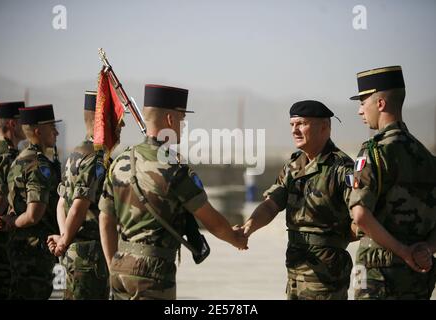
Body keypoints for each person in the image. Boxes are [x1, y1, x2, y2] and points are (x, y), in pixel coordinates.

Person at [98, 84, 247, 300]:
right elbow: (210, 219)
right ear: (170, 120)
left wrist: (114, 264)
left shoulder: (120, 161)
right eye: (181, 119)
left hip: (120, 267)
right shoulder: (174, 170)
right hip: (153, 273)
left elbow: (105, 219)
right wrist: (235, 238)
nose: (184, 126)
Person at [242, 100, 355, 300]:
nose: (295, 130)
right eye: (292, 125)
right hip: (295, 267)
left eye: (301, 124)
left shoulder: (341, 167)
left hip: (326, 273)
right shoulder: (294, 165)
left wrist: (335, 240)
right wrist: (248, 228)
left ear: (324, 127)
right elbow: (271, 204)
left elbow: (361, 215)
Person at [349, 65, 436, 299]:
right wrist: (426, 249)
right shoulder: (427, 158)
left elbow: (360, 215)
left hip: (378, 279)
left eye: (363, 101)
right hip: (418, 279)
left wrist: (403, 251)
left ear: (380, 104)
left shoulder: (374, 152)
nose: (359, 111)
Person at [47, 91, 117, 299]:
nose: (120, 127)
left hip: (74, 252)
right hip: (89, 256)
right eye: (117, 120)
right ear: (104, 121)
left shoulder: (76, 153)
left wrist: (64, 238)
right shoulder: (96, 157)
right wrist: (64, 240)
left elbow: (62, 202)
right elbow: (79, 204)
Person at [0, 104, 61, 299]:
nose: (56, 132)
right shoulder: (38, 166)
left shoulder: (18, 161)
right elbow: (33, 215)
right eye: (52, 128)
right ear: (38, 131)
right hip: (35, 253)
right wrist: (12, 223)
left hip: (20, 249)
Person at [0, 101, 26, 299]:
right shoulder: (7, 157)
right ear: (12, 124)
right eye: (22, 121)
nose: (26, 125)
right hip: (1, 251)